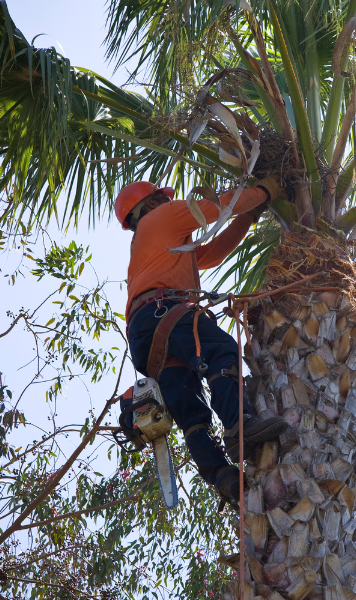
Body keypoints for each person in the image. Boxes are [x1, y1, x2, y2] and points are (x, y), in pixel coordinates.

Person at [116, 177, 288, 504]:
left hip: (145, 336)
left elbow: (211, 255)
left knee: (191, 411)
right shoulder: (162, 217)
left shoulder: (152, 240)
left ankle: (220, 475)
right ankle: (239, 424)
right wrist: (267, 190)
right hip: (162, 311)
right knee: (221, 351)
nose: (170, 201)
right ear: (151, 203)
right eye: (163, 198)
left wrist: (250, 216)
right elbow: (216, 208)